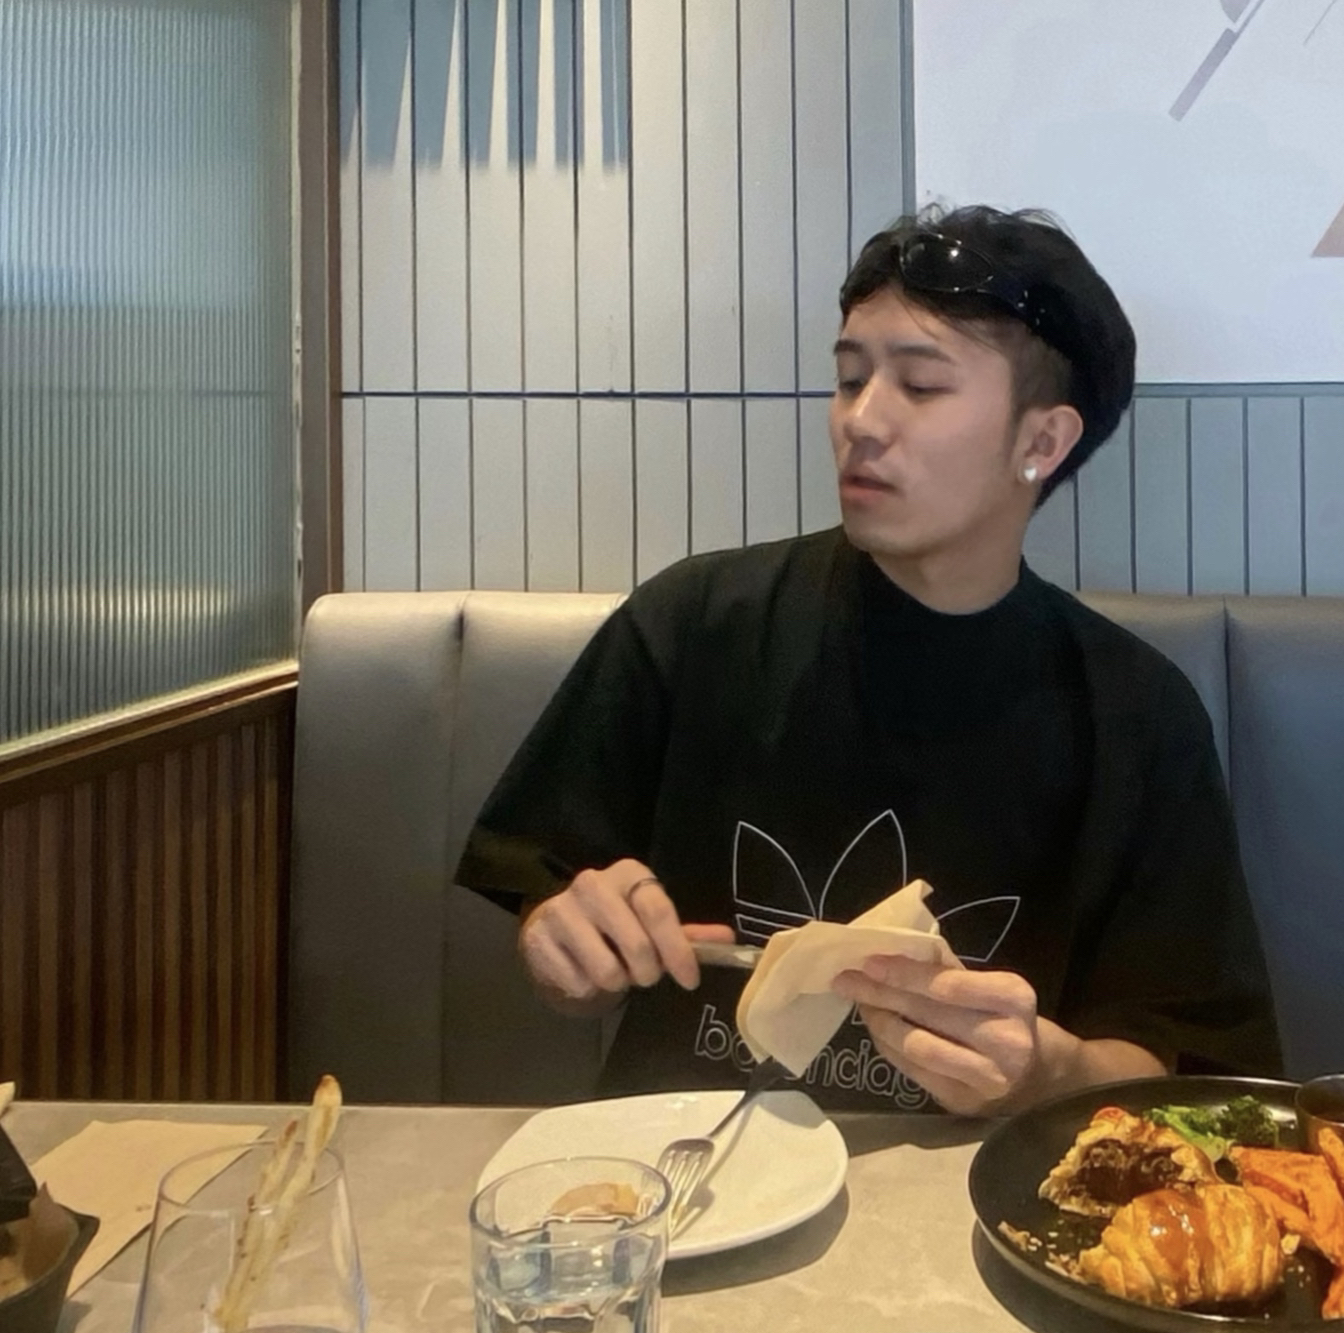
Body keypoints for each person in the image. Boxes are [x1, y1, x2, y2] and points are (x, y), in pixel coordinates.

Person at [456, 204, 1281, 1116]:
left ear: (1041, 442)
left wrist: (1045, 1077)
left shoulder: (1135, 714)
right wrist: (565, 944)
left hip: (974, 1189)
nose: (862, 419)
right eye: (851, 379)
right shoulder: (696, 622)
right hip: (680, 1168)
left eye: (919, 386)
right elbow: (551, 902)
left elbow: (1184, 1072)